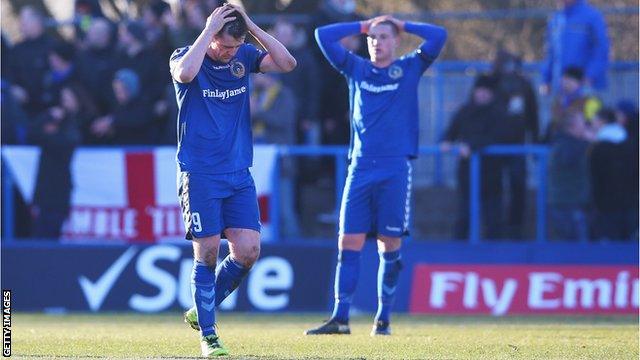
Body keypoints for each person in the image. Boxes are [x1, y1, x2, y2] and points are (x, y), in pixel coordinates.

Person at [306, 15, 447, 336]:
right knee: (348, 241)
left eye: (384, 37)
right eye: (373, 37)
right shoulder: (356, 69)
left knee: (390, 242)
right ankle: (340, 318)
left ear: (395, 41)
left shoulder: (409, 68)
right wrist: (362, 25)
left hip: (395, 167)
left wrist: (403, 23)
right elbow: (322, 35)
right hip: (360, 166)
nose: (377, 42)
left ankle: (383, 319)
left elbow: (438, 36)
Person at [169, 3, 296, 356]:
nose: (228, 54)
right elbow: (183, 75)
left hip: (238, 173)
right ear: (211, 36)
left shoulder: (243, 56)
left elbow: (287, 64)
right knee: (207, 252)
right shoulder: (187, 55)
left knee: (249, 250)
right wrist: (208, 31)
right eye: (223, 46)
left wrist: (251, 27)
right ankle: (208, 337)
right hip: (201, 174)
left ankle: (202, 309)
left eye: (233, 48)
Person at [440, 75, 506, 240]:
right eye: (480, 90)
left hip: (491, 174)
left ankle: (495, 256)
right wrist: (446, 141)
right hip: (467, 173)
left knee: (492, 217)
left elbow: (498, 136)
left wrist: (471, 146)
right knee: (464, 214)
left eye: (487, 91)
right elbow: (451, 131)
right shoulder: (465, 111)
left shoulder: (498, 113)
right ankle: (458, 255)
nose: (482, 94)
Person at [492, 50, 539, 239]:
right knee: (493, 187)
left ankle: (515, 228)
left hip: (517, 145)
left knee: (518, 186)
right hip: (491, 145)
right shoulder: (490, 82)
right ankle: (494, 228)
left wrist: (534, 141)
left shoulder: (525, 85)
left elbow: (532, 116)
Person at [541, 0, 609, 93]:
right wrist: (546, 79)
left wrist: (588, 78)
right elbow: (550, 53)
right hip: (561, 89)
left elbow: (601, 52)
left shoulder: (592, 17)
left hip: (587, 89)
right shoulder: (555, 20)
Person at [590, 108, 636, 240]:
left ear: (602, 122)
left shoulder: (597, 148)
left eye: (595, 120)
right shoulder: (631, 144)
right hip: (630, 205)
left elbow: (595, 179)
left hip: (606, 207)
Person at [547, 107, 591, 241]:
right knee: (573, 246)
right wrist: (587, 141)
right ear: (573, 126)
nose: (586, 126)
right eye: (583, 123)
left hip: (569, 203)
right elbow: (569, 158)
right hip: (567, 204)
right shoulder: (566, 145)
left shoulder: (564, 143)